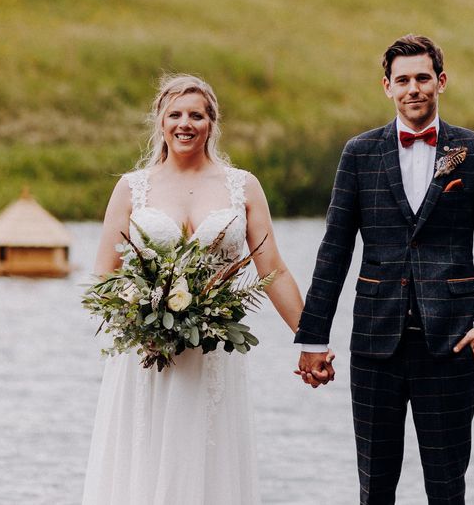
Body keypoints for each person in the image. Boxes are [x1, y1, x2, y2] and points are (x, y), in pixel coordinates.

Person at [295, 34, 474, 504]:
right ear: (387, 88)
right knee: (374, 487)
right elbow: (334, 250)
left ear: (441, 81)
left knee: (447, 487)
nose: (413, 88)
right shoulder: (358, 153)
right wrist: (313, 339)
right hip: (376, 344)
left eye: (422, 78)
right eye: (403, 80)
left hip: (450, 344)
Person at [82, 74, 318, 505]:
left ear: (212, 122)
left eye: (196, 114)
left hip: (213, 355)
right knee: (146, 465)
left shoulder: (241, 186)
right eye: (175, 114)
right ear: (160, 121)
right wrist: (138, 314)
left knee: (207, 466)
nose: (185, 123)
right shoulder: (132, 188)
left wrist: (311, 339)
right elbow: (103, 274)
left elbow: (275, 271)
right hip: (148, 354)